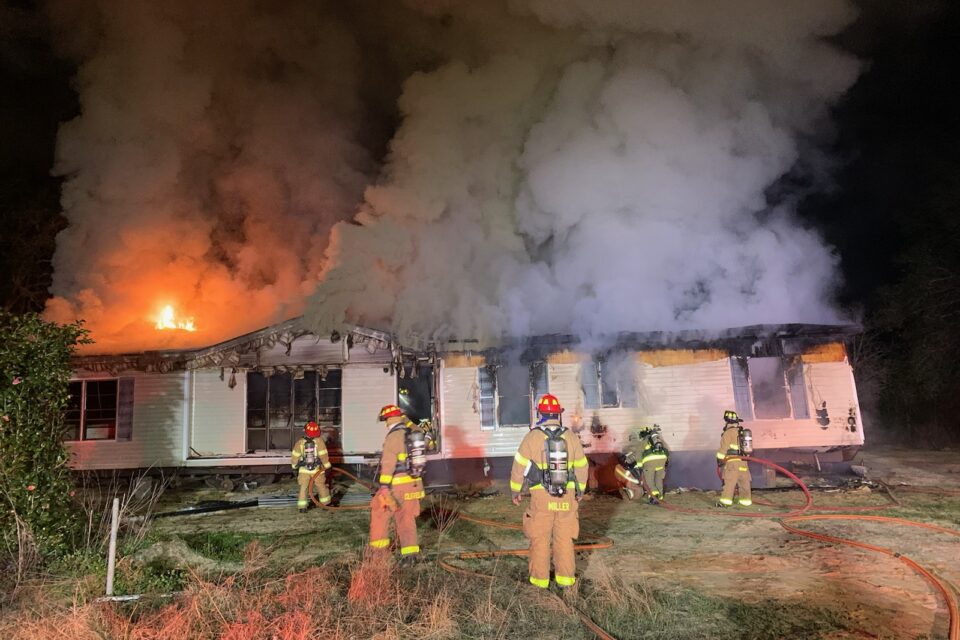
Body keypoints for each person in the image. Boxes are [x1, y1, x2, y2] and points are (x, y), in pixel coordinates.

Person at [510, 394, 589, 590]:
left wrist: (515, 490)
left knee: (540, 539)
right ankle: (566, 581)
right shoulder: (571, 437)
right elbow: (582, 466)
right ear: (558, 414)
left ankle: (540, 582)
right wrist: (580, 489)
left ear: (540, 414)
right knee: (564, 540)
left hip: (542, 498)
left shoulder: (532, 437)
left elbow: (519, 466)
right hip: (567, 497)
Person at [368, 404, 427, 564]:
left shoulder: (393, 437)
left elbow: (388, 465)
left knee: (379, 513)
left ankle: (378, 555)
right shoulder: (414, 433)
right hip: (414, 485)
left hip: (396, 487)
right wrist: (406, 420)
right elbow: (419, 430)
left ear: (388, 420)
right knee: (406, 519)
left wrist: (384, 487)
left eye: (385, 420)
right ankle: (410, 556)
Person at [291, 421, 332, 513]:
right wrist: (328, 466)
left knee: (303, 488)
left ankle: (302, 507)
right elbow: (324, 456)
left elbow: (295, 456)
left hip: (304, 470)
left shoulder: (300, 442)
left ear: (306, 431)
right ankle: (326, 504)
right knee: (321, 486)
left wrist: (294, 467)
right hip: (317, 470)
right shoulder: (319, 442)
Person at [716, 410, 752, 507]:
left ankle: (725, 502)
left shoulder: (728, 433)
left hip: (732, 462)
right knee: (744, 482)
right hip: (743, 461)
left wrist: (719, 459)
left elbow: (723, 450)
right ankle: (745, 501)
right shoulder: (741, 432)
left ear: (727, 422)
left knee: (729, 482)